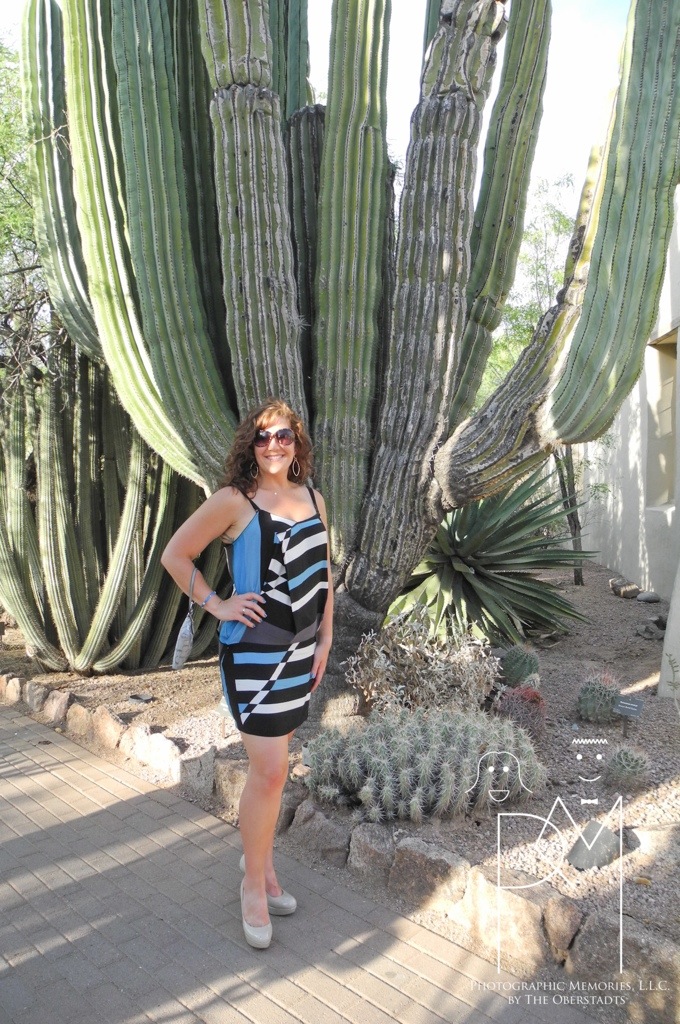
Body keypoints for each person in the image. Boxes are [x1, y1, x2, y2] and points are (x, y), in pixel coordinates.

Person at [161, 398, 333, 949]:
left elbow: (323, 572)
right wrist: (218, 604)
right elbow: (175, 555)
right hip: (254, 656)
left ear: (297, 442)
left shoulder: (314, 498)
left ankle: (264, 867)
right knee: (270, 771)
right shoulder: (235, 501)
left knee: (275, 772)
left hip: (301, 652)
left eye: (283, 435)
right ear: (250, 446)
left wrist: (326, 637)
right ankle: (253, 886)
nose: (273, 445)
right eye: (262, 437)